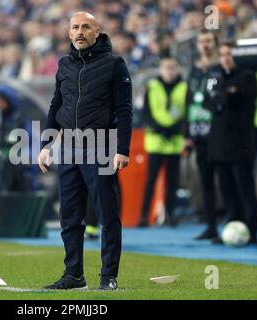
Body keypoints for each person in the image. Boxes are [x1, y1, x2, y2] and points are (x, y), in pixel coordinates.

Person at [37, 12, 132, 290]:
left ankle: (108, 276)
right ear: (69, 33)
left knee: (107, 215)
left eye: (85, 27)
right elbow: (56, 106)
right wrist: (46, 144)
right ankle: (74, 275)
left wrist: (122, 149)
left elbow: (125, 110)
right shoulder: (64, 64)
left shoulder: (115, 64)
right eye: (75, 27)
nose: (80, 31)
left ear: (96, 31)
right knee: (69, 215)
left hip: (101, 146)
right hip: (68, 149)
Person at [205, 42, 257, 245]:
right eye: (223, 54)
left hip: (240, 142)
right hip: (219, 144)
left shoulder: (247, 76)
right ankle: (233, 226)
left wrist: (223, 95)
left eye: (229, 54)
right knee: (227, 190)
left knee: (245, 189)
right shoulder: (216, 76)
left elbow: (233, 98)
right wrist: (226, 93)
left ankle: (252, 231)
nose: (226, 58)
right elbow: (208, 101)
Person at [139, 56, 187, 228]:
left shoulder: (184, 87)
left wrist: (174, 129)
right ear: (160, 69)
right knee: (150, 180)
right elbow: (146, 113)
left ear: (178, 69)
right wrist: (160, 128)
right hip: (156, 141)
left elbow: (186, 112)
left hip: (175, 141)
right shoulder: (152, 87)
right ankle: (144, 216)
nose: (170, 71)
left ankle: (169, 216)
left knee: (172, 182)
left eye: (173, 67)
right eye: (166, 67)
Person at [184, 29, 222, 240]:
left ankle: (235, 221)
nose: (205, 45)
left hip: (218, 133)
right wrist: (187, 133)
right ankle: (211, 226)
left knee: (224, 181)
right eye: (201, 41)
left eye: (208, 41)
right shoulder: (195, 70)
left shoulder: (220, 68)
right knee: (206, 182)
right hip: (198, 133)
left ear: (215, 44)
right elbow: (189, 101)